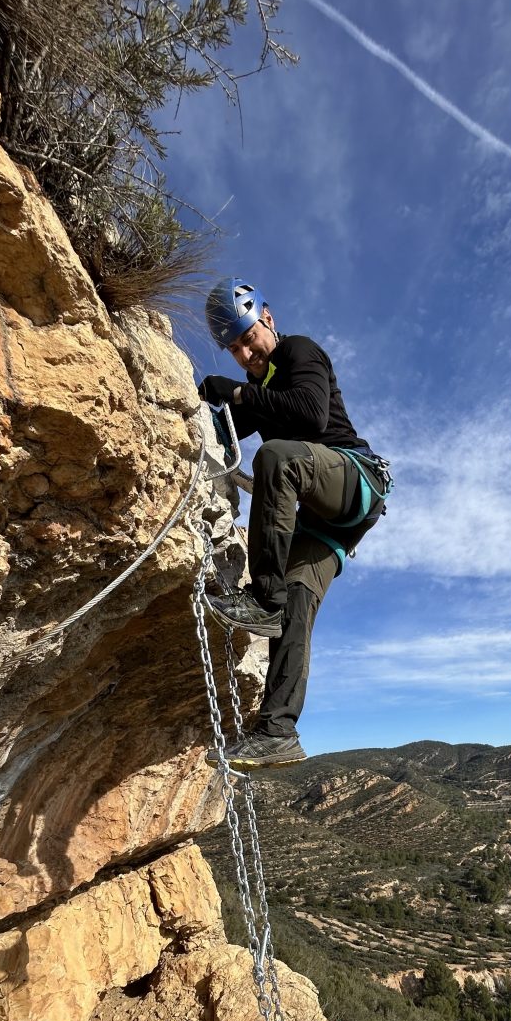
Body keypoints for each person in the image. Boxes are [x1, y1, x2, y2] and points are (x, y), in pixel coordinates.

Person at [198, 278, 390, 770]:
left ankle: (262, 599)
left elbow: (308, 414)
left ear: (268, 319)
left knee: (276, 456)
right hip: (329, 524)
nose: (244, 353)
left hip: (354, 479)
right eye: (234, 348)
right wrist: (205, 410)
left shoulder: (300, 352)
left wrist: (238, 394)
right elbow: (226, 435)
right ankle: (277, 730)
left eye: (248, 337)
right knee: (296, 602)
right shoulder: (259, 388)